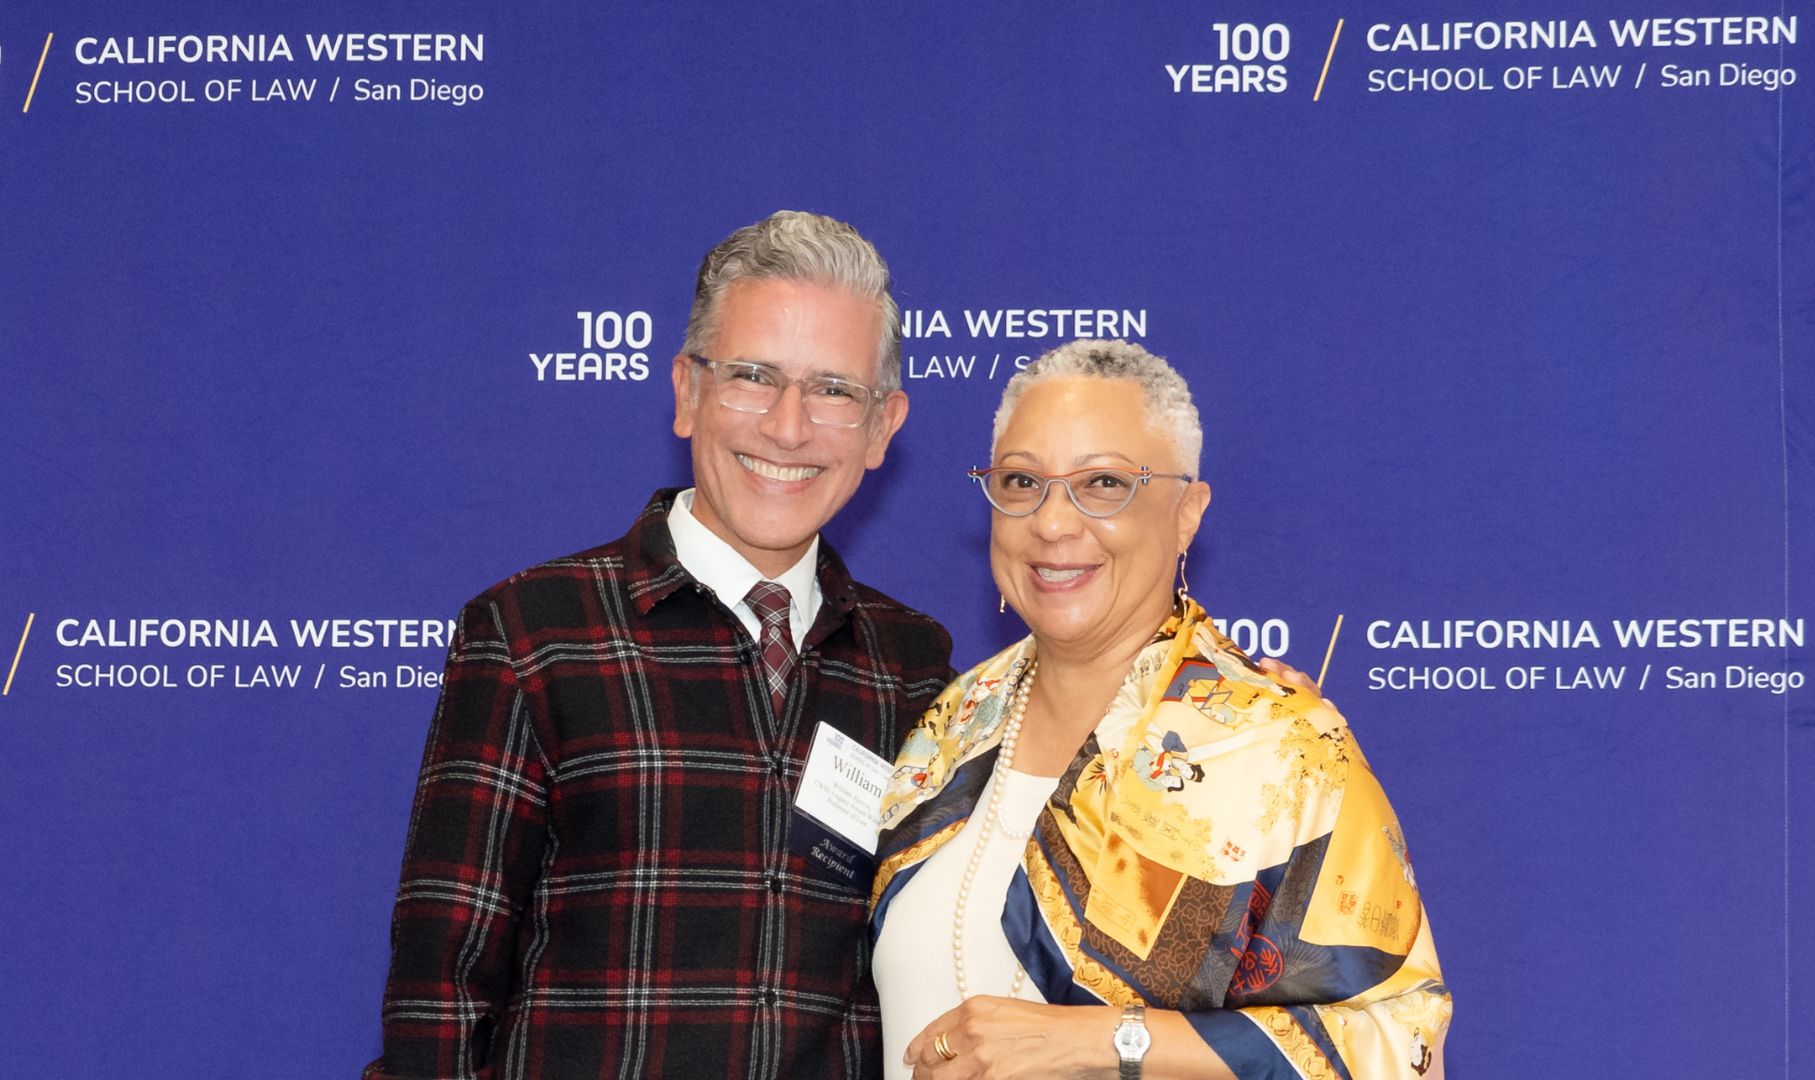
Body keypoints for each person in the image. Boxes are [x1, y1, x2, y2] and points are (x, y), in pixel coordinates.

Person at [365, 211, 956, 1080]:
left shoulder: (913, 664)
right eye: (754, 376)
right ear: (686, 392)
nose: (789, 427)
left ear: (882, 426)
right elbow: (441, 990)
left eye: (834, 390)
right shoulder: (534, 636)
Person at [870, 341, 1450, 1080]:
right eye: (1022, 481)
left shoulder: (1277, 746)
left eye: (1103, 483)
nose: (1052, 523)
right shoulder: (950, 724)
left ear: (1186, 512)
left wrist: (1108, 1042)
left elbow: (1405, 1045)